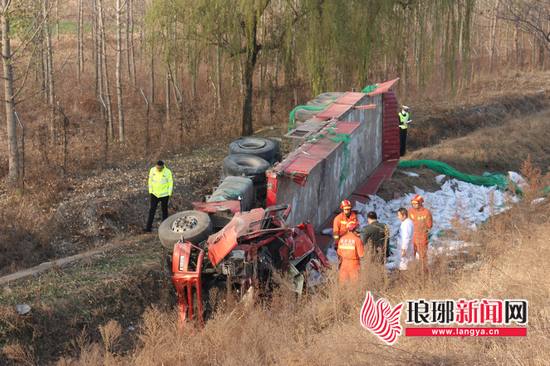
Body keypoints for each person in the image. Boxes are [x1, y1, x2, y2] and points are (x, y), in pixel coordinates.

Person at [145, 160, 173, 232]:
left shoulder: (168, 172)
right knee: (152, 210)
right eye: (157, 168)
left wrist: (169, 193)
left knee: (164, 210)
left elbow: (170, 183)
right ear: (156, 166)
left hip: (164, 195)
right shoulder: (152, 170)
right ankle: (148, 228)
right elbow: (150, 181)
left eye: (160, 168)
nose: (158, 169)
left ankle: (165, 228)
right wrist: (150, 191)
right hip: (154, 194)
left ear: (163, 166)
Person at [408, 195, 433, 273]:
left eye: (416, 203)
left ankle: (424, 272)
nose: (414, 205)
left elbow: (429, 225)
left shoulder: (426, 212)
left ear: (421, 203)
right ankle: (412, 271)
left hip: (422, 237)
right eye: (413, 203)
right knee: (411, 255)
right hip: (412, 237)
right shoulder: (410, 211)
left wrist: (422, 226)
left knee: (422, 256)